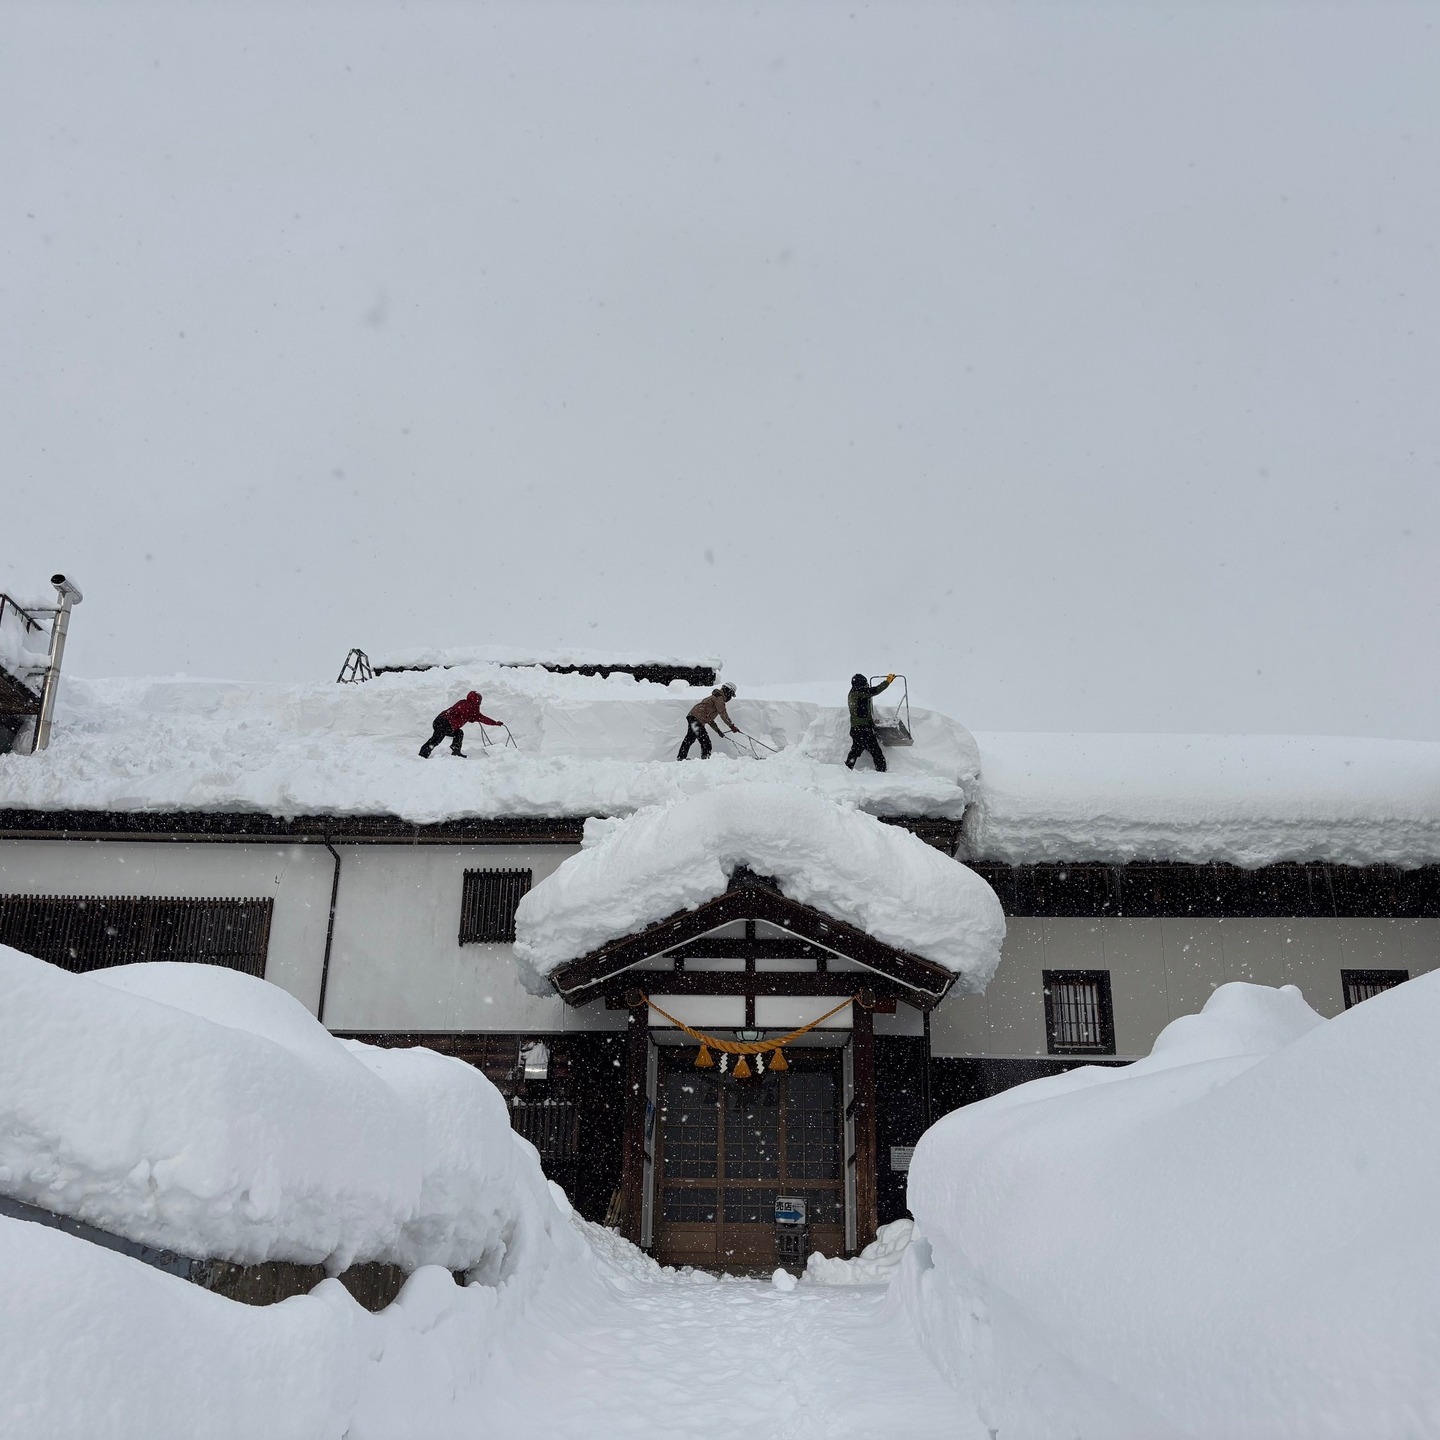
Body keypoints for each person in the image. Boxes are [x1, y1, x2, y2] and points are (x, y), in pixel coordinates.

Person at [419, 691, 504, 758]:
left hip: (445, 723)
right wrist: (470, 717)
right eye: (479, 700)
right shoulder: (466, 706)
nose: (480, 702)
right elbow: (464, 712)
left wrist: (494, 723)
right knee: (436, 740)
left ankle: (455, 750)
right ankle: (422, 755)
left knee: (459, 733)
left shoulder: (467, 706)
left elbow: (481, 718)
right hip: (443, 722)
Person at [845, 672, 895, 772]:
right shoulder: (857, 693)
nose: (866, 685)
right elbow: (874, 691)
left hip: (858, 729)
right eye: (864, 684)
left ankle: (847, 769)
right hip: (862, 729)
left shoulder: (856, 692)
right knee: (875, 751)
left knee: (855, 750)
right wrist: (887, 682)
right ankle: (881, 771)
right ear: (859, 684)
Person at [677, 683, 741, 760]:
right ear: (728, 691)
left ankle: (681, 757)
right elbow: (723, 713)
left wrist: (718, 731)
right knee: (706, 742)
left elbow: (710, 720)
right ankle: (705, 760)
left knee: (690, 738)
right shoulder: (719, 698)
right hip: (696, 719)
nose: (730, 697)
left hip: (693, 717)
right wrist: (731, 726)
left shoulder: (716, 697)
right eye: (731, 695)